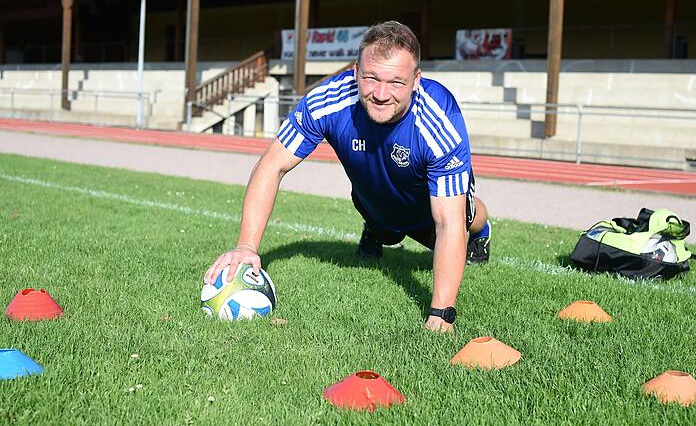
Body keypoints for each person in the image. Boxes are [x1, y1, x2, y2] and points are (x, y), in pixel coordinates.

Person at [204, 21, 492, 333]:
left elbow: (448, 221)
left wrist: (441, 313)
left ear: (416, 80)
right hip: (373, 195)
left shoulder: (439, 119)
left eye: (396, 82)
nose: (381, 94)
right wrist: (246, 246)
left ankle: (482, 228)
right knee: (388, 231)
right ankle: (376, 226)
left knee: (464, 217)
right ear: (356, 71)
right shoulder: (327, 101)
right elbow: (272, 165)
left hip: (430, 201)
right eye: (371, 78)